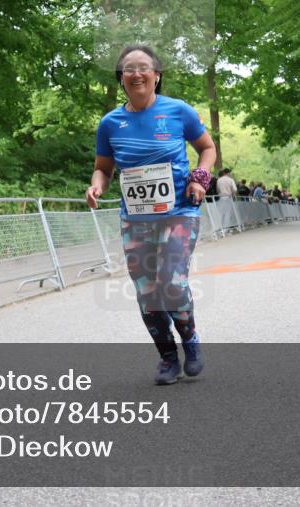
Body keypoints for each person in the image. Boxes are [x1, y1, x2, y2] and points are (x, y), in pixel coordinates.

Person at [87, 45, 217, 385]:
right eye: (128, 69)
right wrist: (96, 186)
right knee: (147, 292)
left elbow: (207, 148)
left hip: (179, 212)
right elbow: (103, 168)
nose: (136, 73)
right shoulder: (110, 123)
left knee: (172, 285)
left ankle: (190, 341)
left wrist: (200, 178)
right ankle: (167, 358)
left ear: (157, 76)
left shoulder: (179, 111)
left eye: (144, 67)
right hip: (136, 220)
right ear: (122, 80)